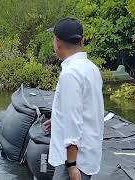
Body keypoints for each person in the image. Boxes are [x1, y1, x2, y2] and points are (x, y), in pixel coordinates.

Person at [44, 17, 104, 180]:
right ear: (82, 40)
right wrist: (57, 120)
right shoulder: (91, 68)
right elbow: (88, 111)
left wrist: (71, 166)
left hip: (73, 162)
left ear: (57, 42)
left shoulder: (70, 74)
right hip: (88, 156)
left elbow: (73, 122)